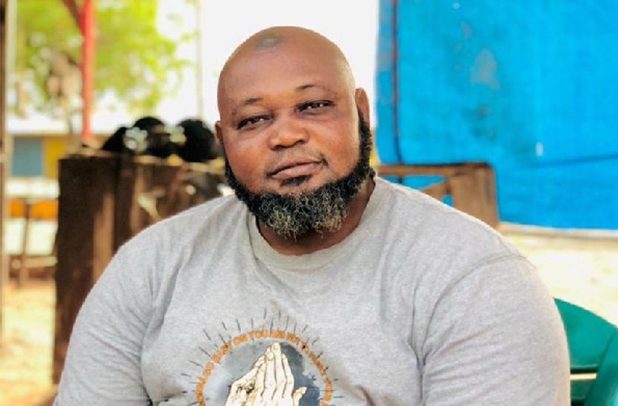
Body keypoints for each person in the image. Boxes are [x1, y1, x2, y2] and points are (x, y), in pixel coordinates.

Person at [55, 26, 569, 405]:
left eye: (313, 106)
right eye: (253, 119)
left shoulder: (473, 280)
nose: (285, 136)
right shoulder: (150, 267)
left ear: (361, 114)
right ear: (223, 141)